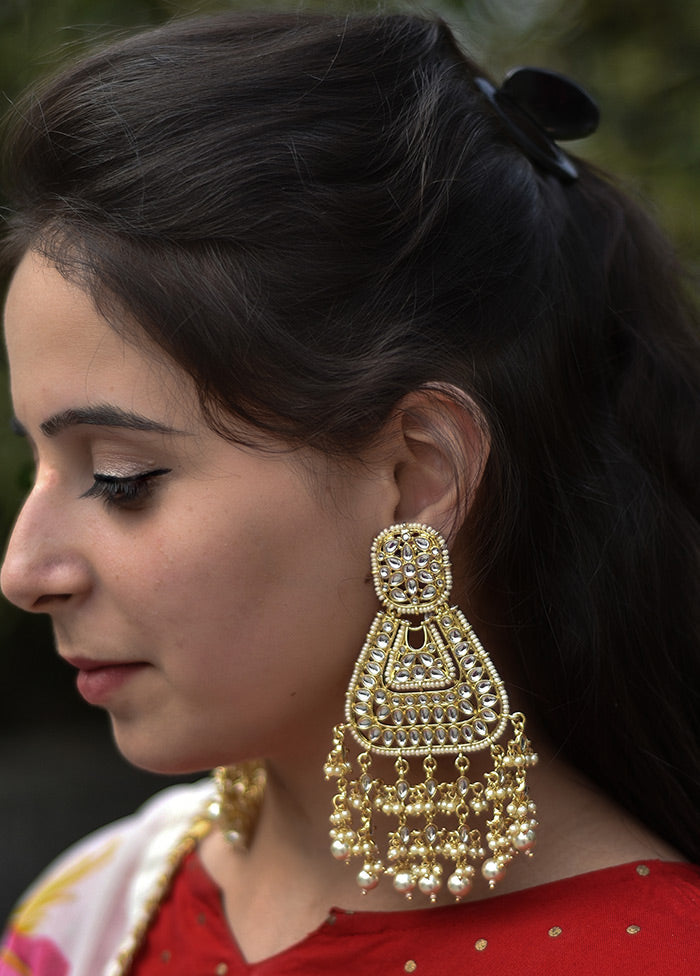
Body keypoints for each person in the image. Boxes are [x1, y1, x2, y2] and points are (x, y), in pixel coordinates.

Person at [1, 10, 699, 976]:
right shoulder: (103, 906)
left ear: (417, 478)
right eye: (38, 460)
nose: (25, 570)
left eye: (121, 480)